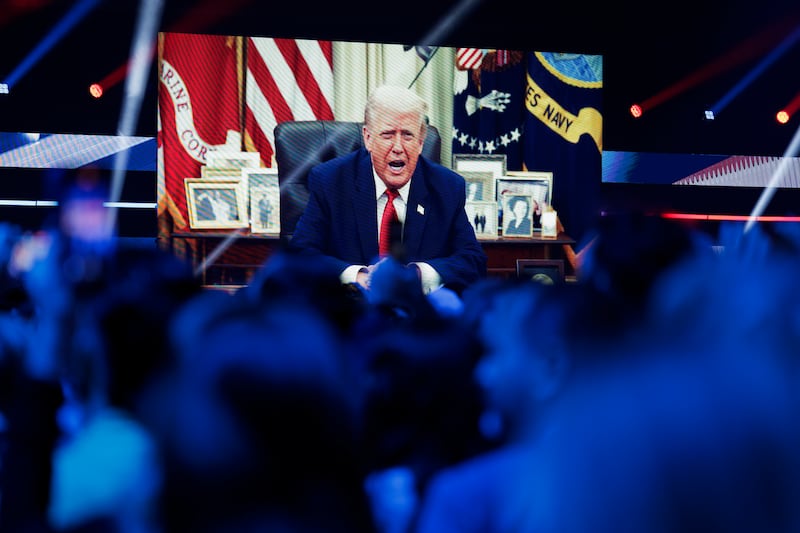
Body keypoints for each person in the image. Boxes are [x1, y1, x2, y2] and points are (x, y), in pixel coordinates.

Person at [289, 84, 487, 295]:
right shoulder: (330, 181)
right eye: (388, 135)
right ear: (368, 138)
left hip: (416, 309)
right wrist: (358, 277)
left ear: (421, 142)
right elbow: (300, 255)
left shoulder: (447, 187)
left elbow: (473, 262)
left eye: (408, 135)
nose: (398, 147)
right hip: (350, 307)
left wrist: (418, 274)